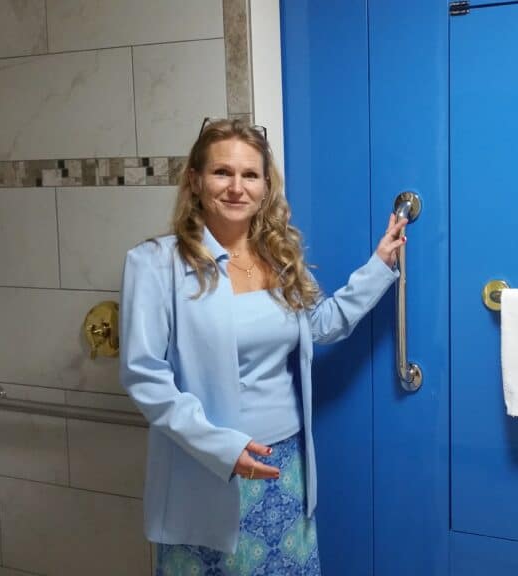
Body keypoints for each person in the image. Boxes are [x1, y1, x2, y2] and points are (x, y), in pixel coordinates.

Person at [119, 118, 405, 575]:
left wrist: (379, 265)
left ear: (266, 187)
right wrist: (222, 449)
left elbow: (320, 325)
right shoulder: (155, 264)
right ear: (195, 180)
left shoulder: (279, 255)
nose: (237, 187)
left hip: (284, 462)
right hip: (209, 464)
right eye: (222, 172)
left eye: (250, 175)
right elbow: (145, 376)